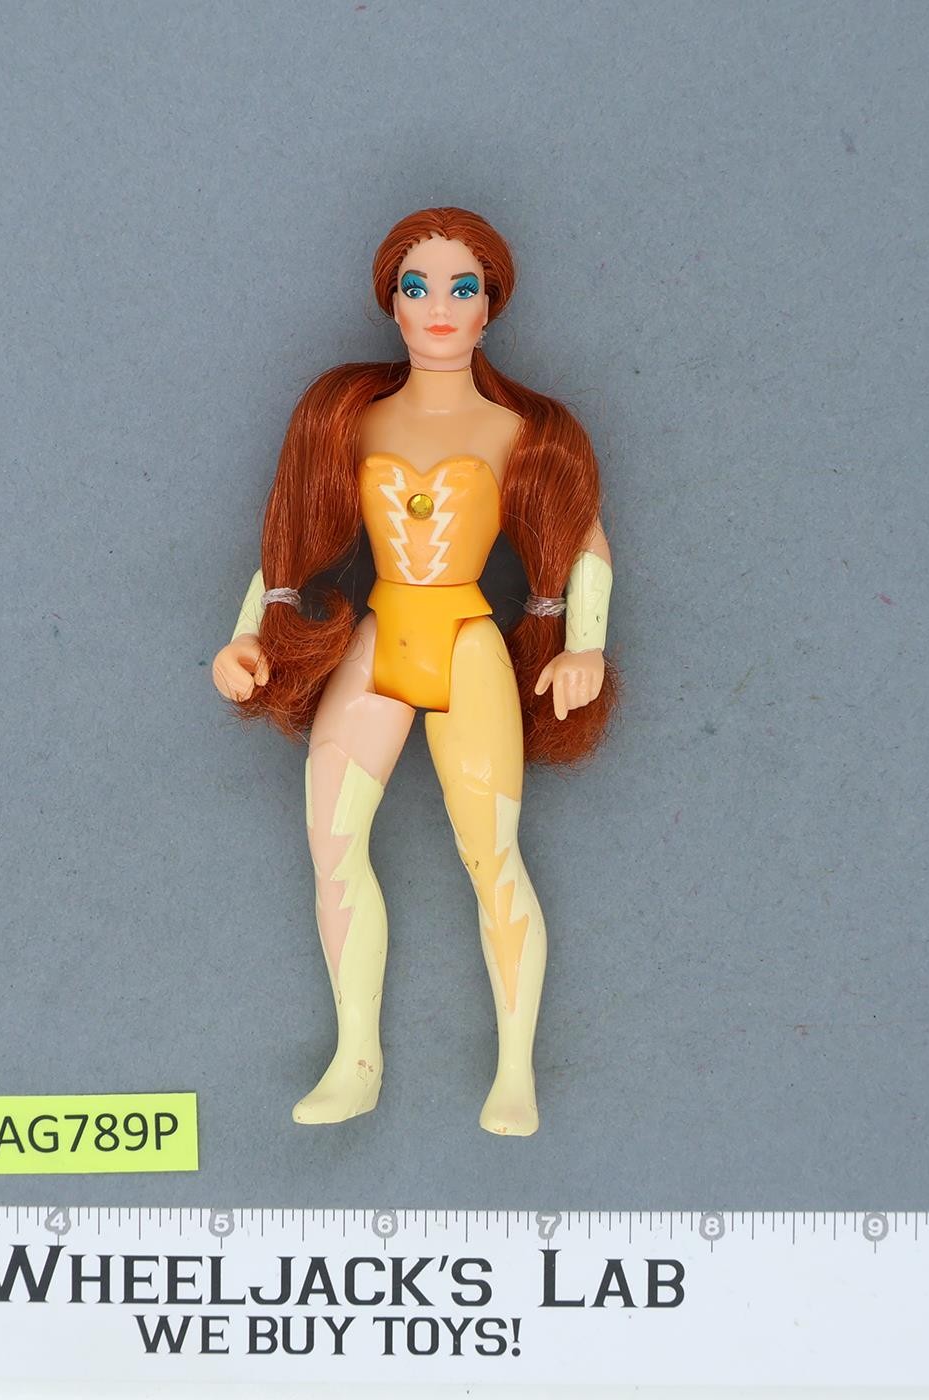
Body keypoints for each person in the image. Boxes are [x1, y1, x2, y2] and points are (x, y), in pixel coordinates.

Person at [212, 207, 617, 1136]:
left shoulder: (522, 430)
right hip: (382, 637)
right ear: (390, 303)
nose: (439, 306)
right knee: (331, 842)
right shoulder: (350, 420)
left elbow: (584, 544)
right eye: (417, 286)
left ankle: (514, 1070)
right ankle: (356, 1057)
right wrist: (247, 634)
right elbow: (289, 543)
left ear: (490, 306)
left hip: (468, 642)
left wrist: (585, 643)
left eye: (462, 287)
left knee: (491, 856)